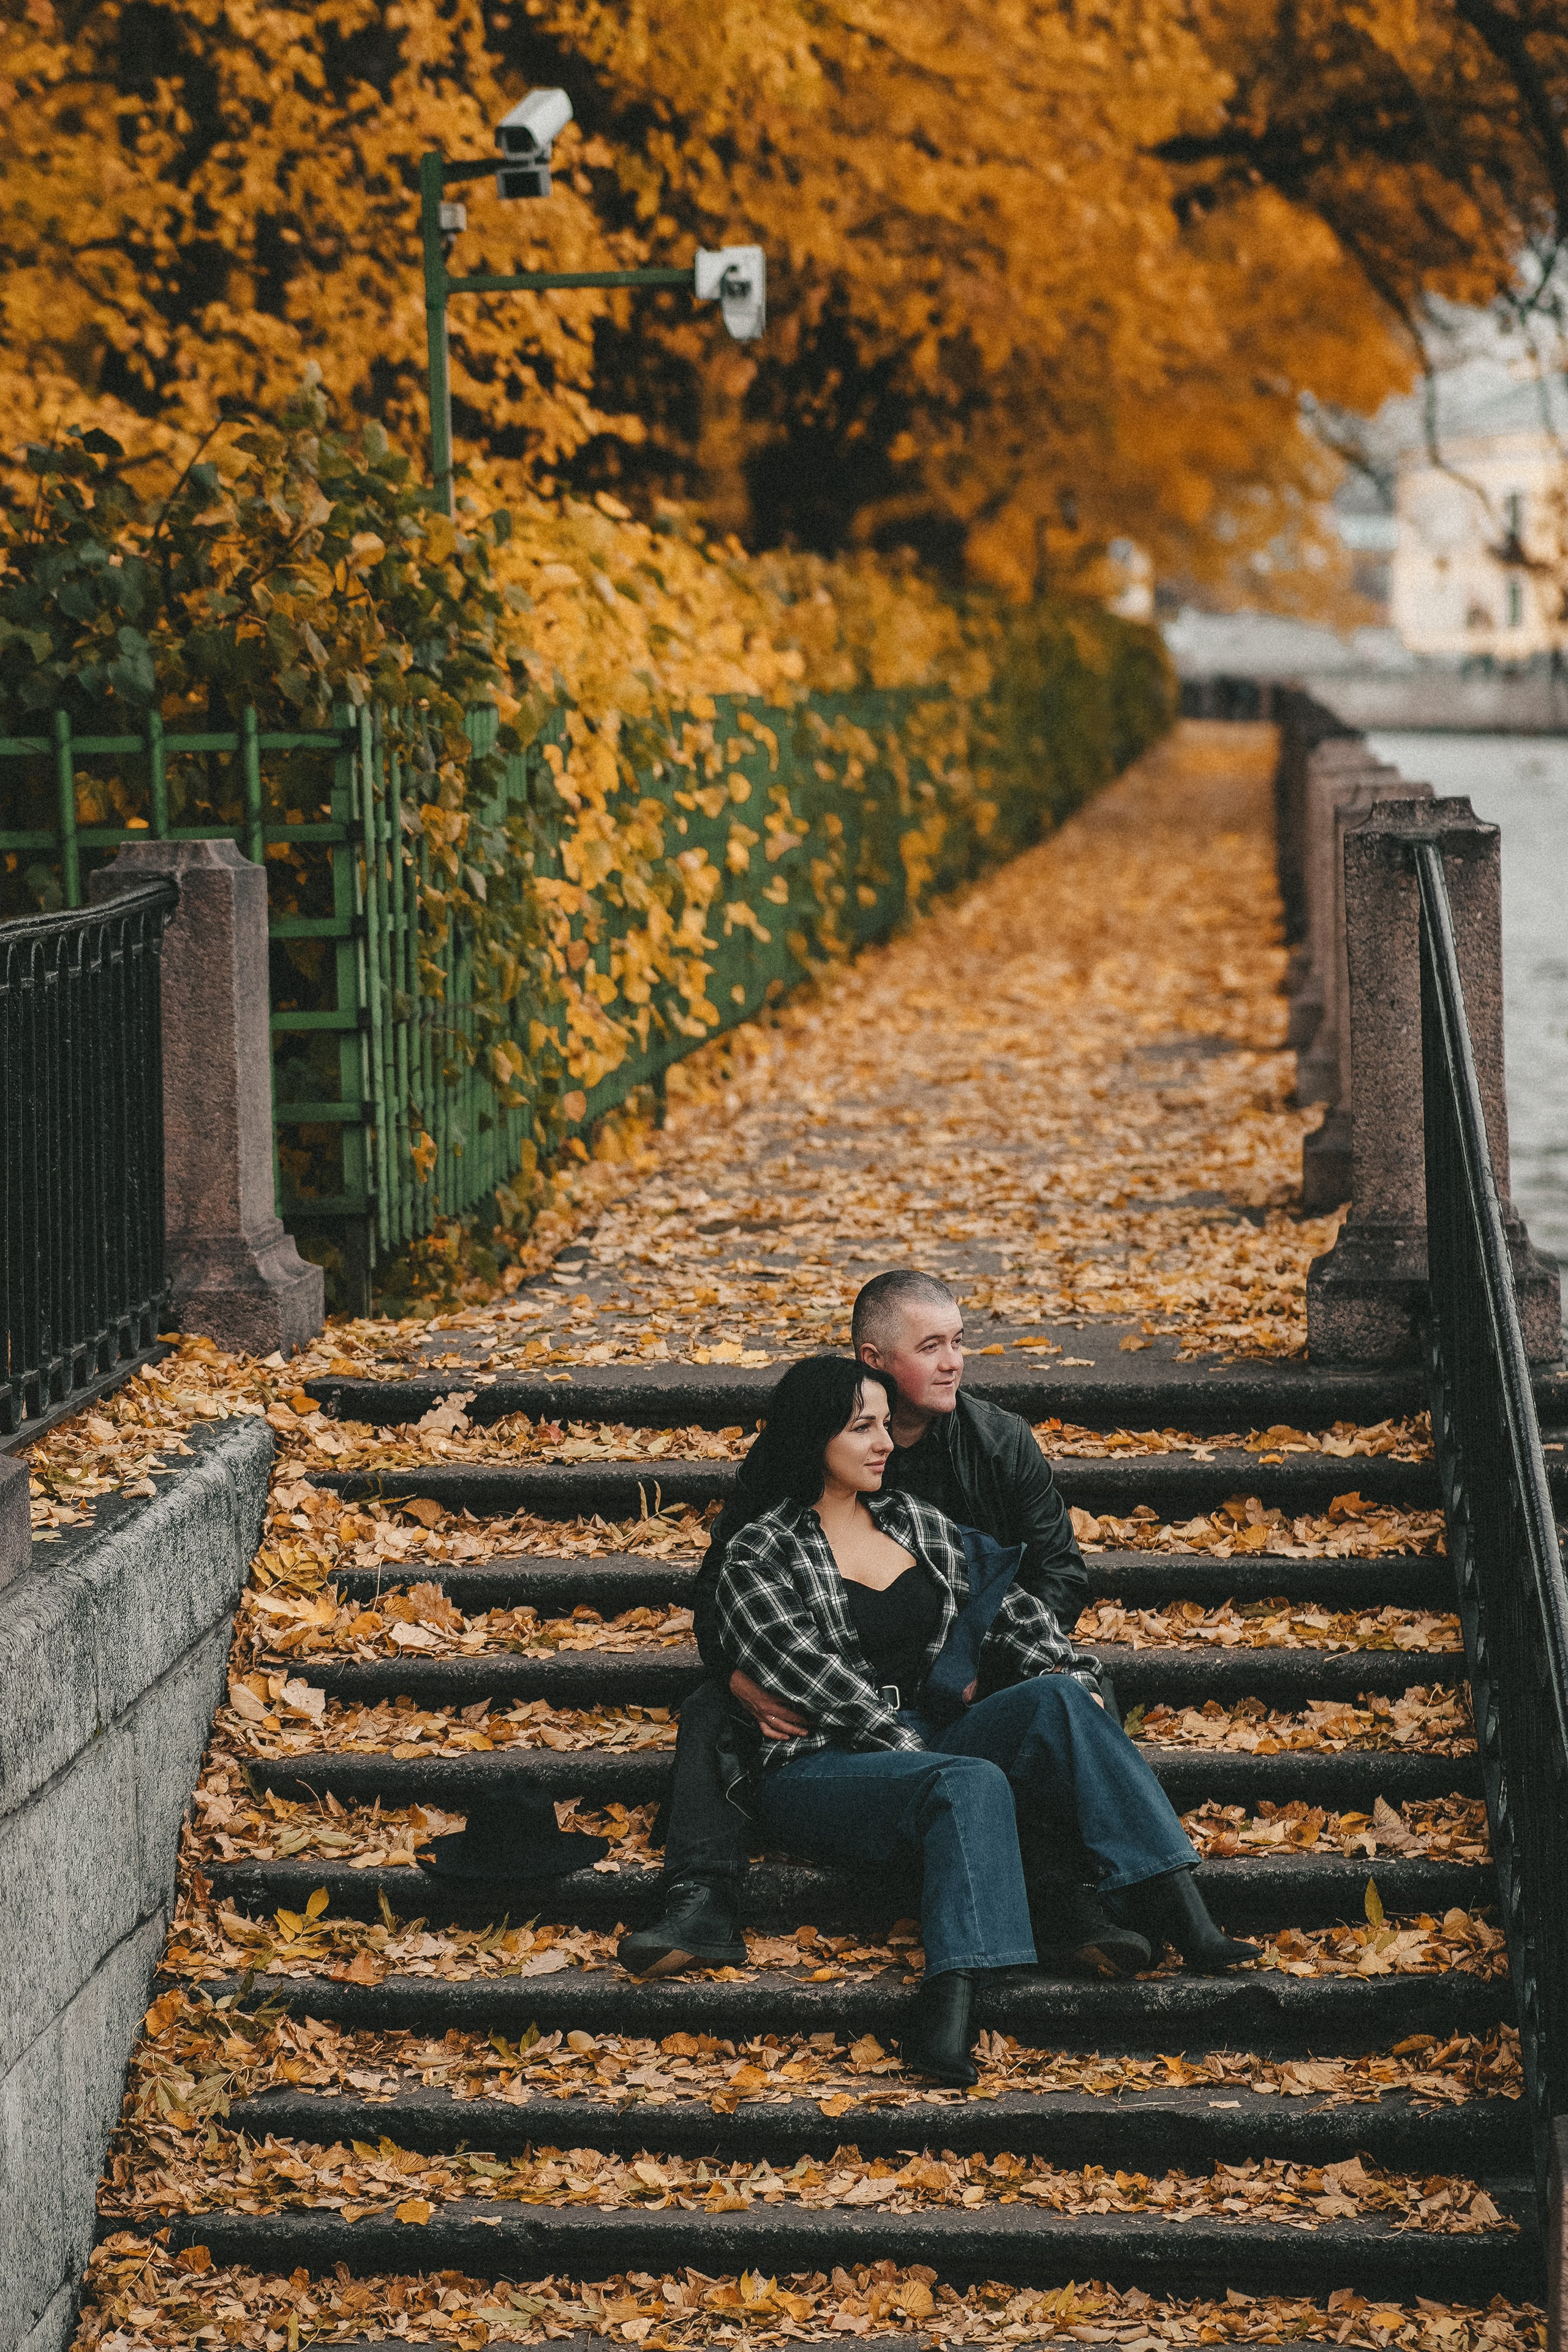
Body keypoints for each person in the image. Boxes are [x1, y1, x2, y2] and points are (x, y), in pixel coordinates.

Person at [704, 1355, 1259, 2085]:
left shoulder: (914, 1523)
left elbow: (1008, 1613)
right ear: (814, 1438)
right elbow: (822, 1687)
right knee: (967, 1779)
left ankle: (1183, 1910)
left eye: (884, 1424)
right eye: (862, 1427)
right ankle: (949, 2006)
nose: (885, 1442)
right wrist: (934, 1750)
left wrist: (1071, 1676)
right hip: (821, 1764)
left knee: (1060, 1697)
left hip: (929, 1742)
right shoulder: (760, 1551)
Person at [617, 1269, 1133, 1979]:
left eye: (958, 1342)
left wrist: (980, 1659)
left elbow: (1057, 1576)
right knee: (712, 1703)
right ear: (873, 1360)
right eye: (931, 1346)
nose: (953, 1362)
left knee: (1074, 1692)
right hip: (832, 1671)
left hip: (966, 1663)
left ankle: (1065, 1894)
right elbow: (721, 1588)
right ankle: (700, 1895)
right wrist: (740, 1675)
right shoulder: (804, 1440)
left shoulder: (998, 1441)